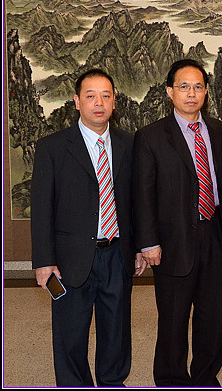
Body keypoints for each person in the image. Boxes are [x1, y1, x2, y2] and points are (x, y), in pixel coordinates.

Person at [133, 59, 222, 387]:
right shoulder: (151, 136)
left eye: (198, 87)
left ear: (206, 92)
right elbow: (142, 194)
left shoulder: (220, 131)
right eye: (184, 87)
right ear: (170, 92)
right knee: (173, 319)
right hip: (172, 241)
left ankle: (206, 377)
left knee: (212, 317)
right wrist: (148, 242)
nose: (191, 93)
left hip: (215, 234)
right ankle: (172, 380)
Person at [31, 68, 146, 386]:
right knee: (70, 335)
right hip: (70, 259)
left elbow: (136, 202)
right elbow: (42, 209)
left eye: (106, 96)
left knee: (116, 333)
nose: (99, 102)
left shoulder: (129, 144)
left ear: (114, 101)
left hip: (117, 255)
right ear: (77, 101)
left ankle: (112, 382)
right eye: (91, 95)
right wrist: (44, 260)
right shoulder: (53, 147)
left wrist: (138, 247)